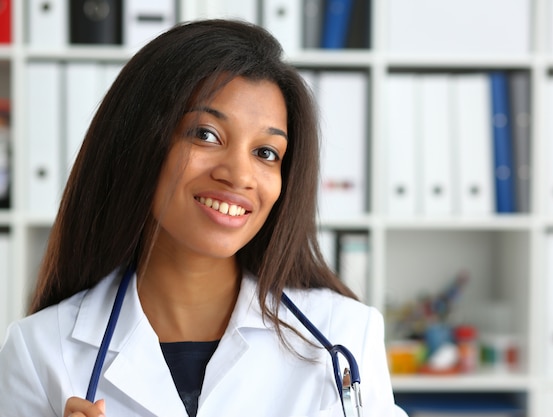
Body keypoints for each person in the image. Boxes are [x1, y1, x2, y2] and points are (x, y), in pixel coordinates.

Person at [0, 19, 408, 417]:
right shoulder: (40, 351)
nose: (240, 175)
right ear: (140, 142)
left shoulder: (346, 337)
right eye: (206, 134)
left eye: (266, 153)